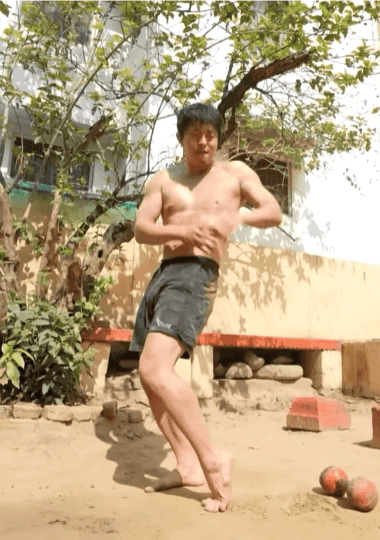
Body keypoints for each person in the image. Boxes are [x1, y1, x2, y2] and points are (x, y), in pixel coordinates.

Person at [128, 103, 283, 513]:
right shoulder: (164, 180)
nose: (203, 142)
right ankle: (186, 465)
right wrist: (182, 229)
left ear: (218, 137)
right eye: (195, 134)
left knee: (155, 369)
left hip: (196, 275)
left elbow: (273, 211)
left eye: (210, 135)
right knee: (149, 376)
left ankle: (213, 460)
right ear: (182, 138)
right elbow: (141, 228)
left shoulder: (235, 174)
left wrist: (239, 218)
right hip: (164, 275)